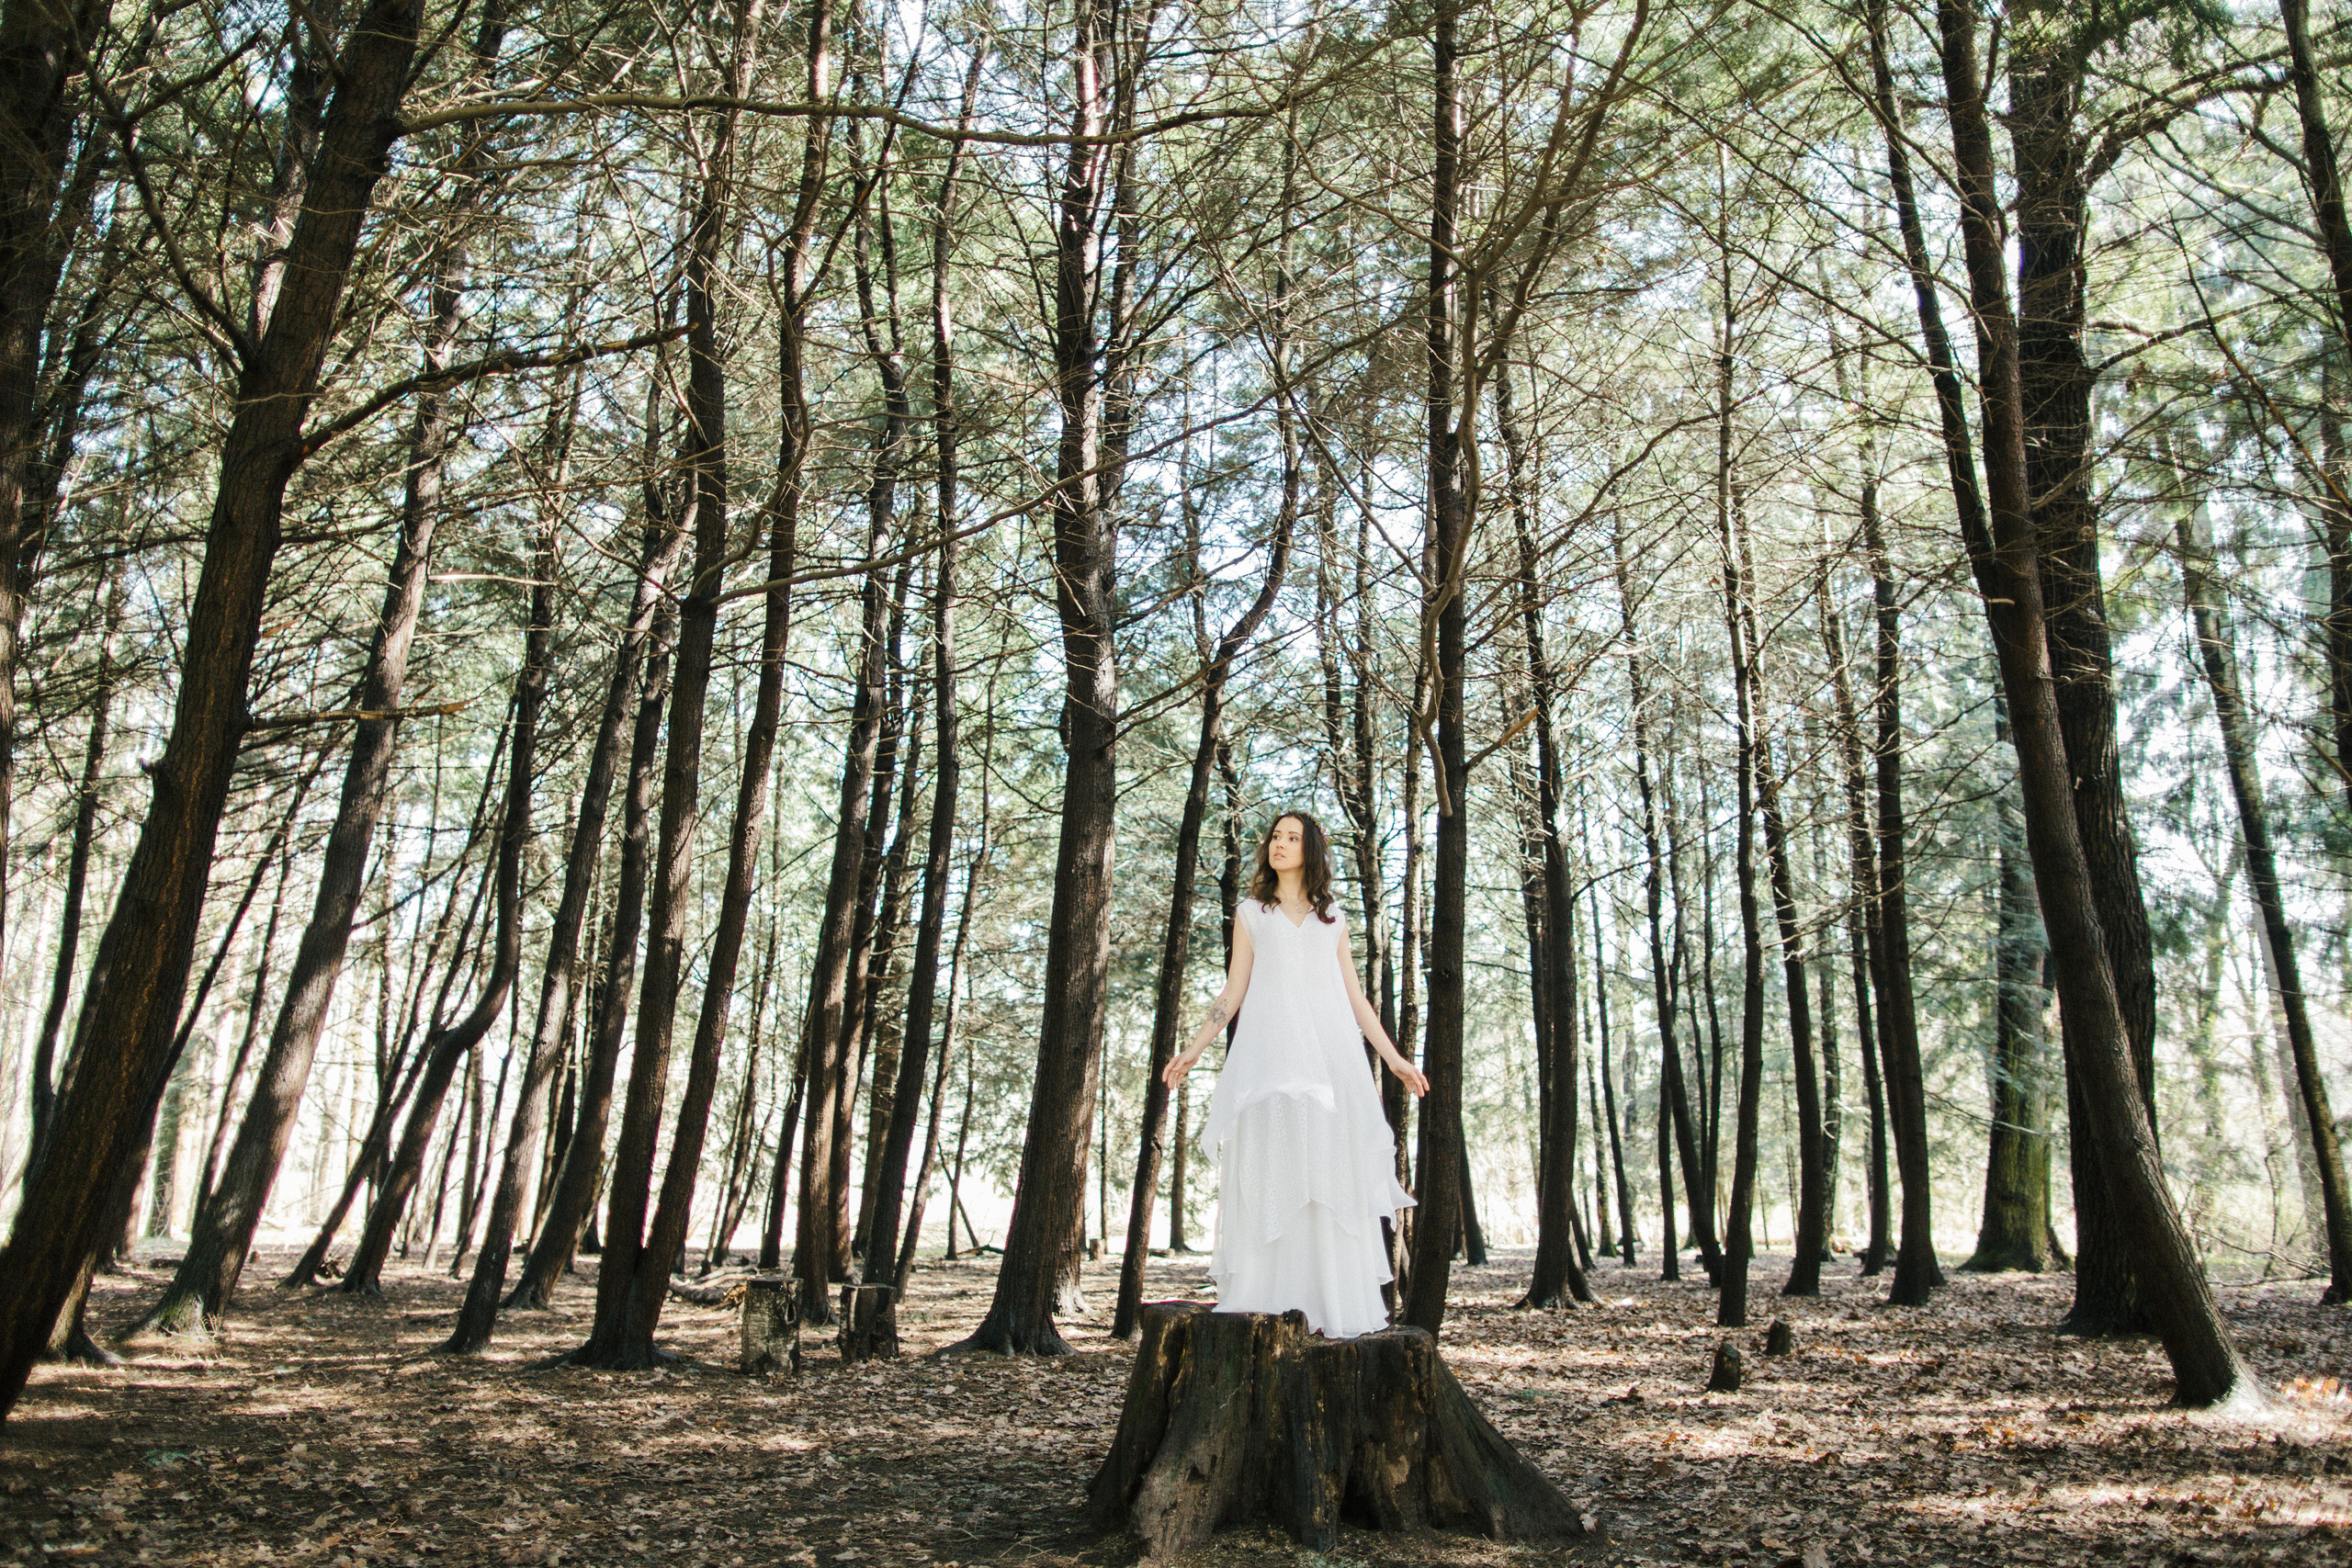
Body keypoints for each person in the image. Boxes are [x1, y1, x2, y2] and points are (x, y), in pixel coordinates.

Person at [1161, 810, 1428, 1338]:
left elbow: (1356, 1000)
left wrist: (1394, 1058)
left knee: (1326, 1176)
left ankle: (1328, 1304)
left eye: (1292, 838)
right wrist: (1193, 1049)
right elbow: (1232, 993)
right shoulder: (1251, 913)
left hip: (1330, 1067)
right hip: (1268, 1062)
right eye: (1275, 837)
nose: (1279, 845)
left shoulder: (1334, 919)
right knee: (1271, 1171)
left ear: (1311, 850)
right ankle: (1267, 1301)